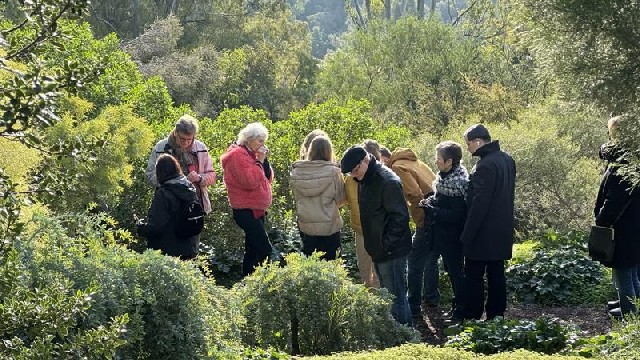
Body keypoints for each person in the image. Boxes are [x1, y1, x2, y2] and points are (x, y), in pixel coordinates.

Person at [341, 145, 412, 325]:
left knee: (396, 300)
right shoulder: (364, 179)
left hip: (391, 252)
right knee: (390, 299)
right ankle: (401, 338)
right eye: (351, 173)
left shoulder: (387, 181)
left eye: (356, 170)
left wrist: (384, 245)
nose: (354, 175)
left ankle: (405, 342)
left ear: (365, 159)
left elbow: (401, 218)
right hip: (379, 250)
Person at [460, 124, 516, 321]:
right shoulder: (507, 160)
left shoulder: (484, 165)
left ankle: (472, 316)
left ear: (477, 142)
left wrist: (467, 235)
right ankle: (496, 316)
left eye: (468, 143)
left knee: (474, 276)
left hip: (483, 232)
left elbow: (479, 204)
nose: (467, 148)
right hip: (502, 229)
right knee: (496, 274)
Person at [594, 115, 640, 319]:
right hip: (634, 225)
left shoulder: (621, 166)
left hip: (622, 228)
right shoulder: (634, 159)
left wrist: (601, 221)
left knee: (624, 273)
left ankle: (630, 317)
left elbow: (613, 201)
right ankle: (631, 309)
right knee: (631, 270)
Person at [420, 141, 469, 324]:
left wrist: (432, 210)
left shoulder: (459, 183)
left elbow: (456, 215)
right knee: (452, 272)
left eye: (438, 158)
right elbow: (440, 199)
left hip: (453, 238)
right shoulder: (444, 178)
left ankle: (461, 312)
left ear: (449, 162)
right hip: (441, 235)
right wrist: (430, 201)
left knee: (457, 274)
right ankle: (457, 308)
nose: (435, 161)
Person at [387, 147, 437, 318]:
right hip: (438, 213)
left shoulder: (398, 168)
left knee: (414, 262)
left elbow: (414, 193)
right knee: (431, 259)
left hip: (426, 216)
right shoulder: (417, 163)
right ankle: (432, 298)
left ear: (387, 159)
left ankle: (414, 305)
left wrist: (419, 217)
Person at [220, 122, 275, 276]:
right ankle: (263, 281)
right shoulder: (237, 155)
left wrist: (262, 160)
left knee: (252, 248)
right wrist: (260, 160)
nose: (263, 144)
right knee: (264, 248)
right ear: (249, 139)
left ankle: (248, 282)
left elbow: (267, 178)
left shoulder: (251, 154)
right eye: (260, 141)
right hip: (245, 209)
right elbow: (250, 181)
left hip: (257, 209)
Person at [146, 114, 216, 213]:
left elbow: (212, 176)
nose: (186, 143)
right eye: (182, 139)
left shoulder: (201, 148)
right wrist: (175, 182)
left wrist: (199, 178)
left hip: (196, 206)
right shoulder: (160, 148)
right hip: (168, 207)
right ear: (175, 133)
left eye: (189, 139)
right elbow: (149, 176)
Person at [290, 135, 346, 260]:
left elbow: (296, 197)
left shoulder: (297, 171)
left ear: (310, 150)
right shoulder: (334, 172)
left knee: (311, 265)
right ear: (329, 151)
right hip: (329, 225)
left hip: (306, 224)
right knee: (332, 264)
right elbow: (341, 199)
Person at [137, 154, 200, 259]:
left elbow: (156, 227)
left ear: (159, 172)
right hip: (190, 248)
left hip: (167, 252)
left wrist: (141, 228)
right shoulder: (190, 189)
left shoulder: (163, 193)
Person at [344, 140, 381, 288]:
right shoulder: (350, 179)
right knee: (367, 267)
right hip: (362, 227)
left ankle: (378, 302)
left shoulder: (381, 176)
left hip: (373, 229)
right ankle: (370, 301)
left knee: (372, 267)